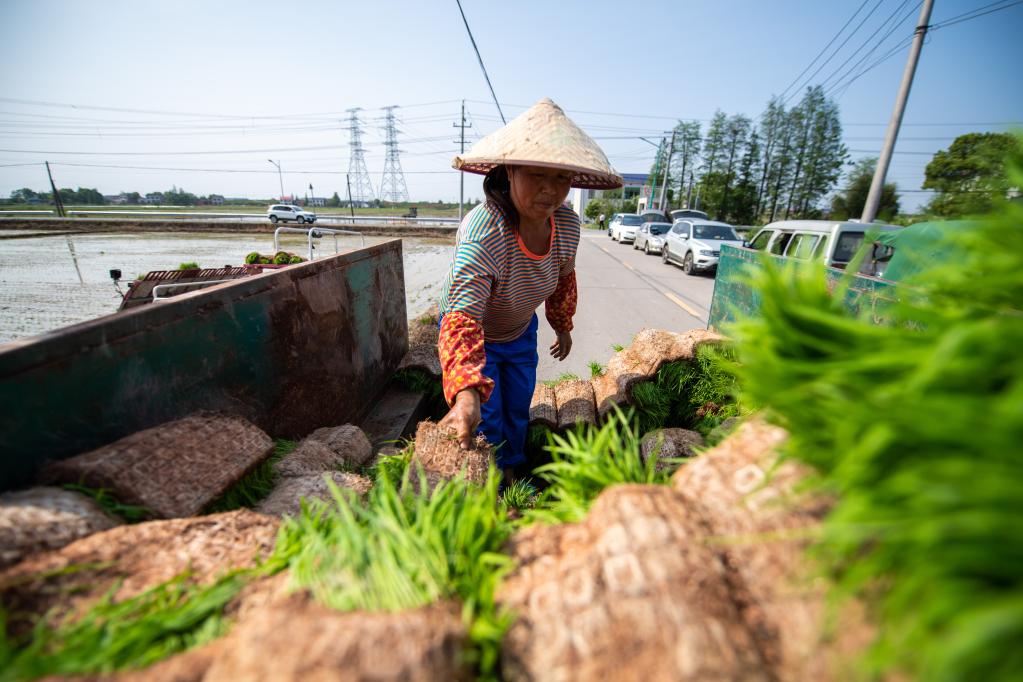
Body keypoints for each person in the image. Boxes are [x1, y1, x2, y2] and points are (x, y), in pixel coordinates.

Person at [437, 98, 622, 477]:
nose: (549, 190)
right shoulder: (484, 232)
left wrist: (562, 323)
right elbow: (462, 317)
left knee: (518, 404)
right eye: (537, 174)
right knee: (487, 415)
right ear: (509, 172)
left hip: (520, 330)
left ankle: (517, 469)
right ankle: (495, 480)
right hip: (477, 333)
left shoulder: (567, 225)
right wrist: (466, 390)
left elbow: (562, 279)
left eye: (560, 178)